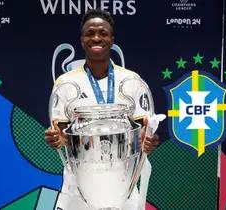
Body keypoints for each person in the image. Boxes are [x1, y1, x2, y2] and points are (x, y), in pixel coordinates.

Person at [45, 9, 159, 210]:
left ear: (112, 40)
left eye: (103, 33)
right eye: (90, 33)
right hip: (79, 187)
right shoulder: (66, 82)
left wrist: (147, 139)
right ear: (82, 40)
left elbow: (143, 129)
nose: (96, 37)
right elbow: (62, 134)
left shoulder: (131, 80)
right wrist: (57, 139)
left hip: (122, 184)